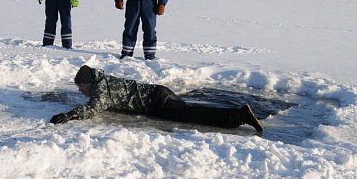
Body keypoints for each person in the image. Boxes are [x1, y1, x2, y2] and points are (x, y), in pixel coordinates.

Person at [50, 65, 263, 132]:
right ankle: (237, 114)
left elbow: (93, 109)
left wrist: (69, 115)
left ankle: (238, 116)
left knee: (194, 115)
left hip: (157, 101)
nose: (81, 91)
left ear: (88, 83)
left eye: (81, 87)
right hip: (158, 93)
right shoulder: (103, 79)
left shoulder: (101, 89)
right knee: (192, 110)